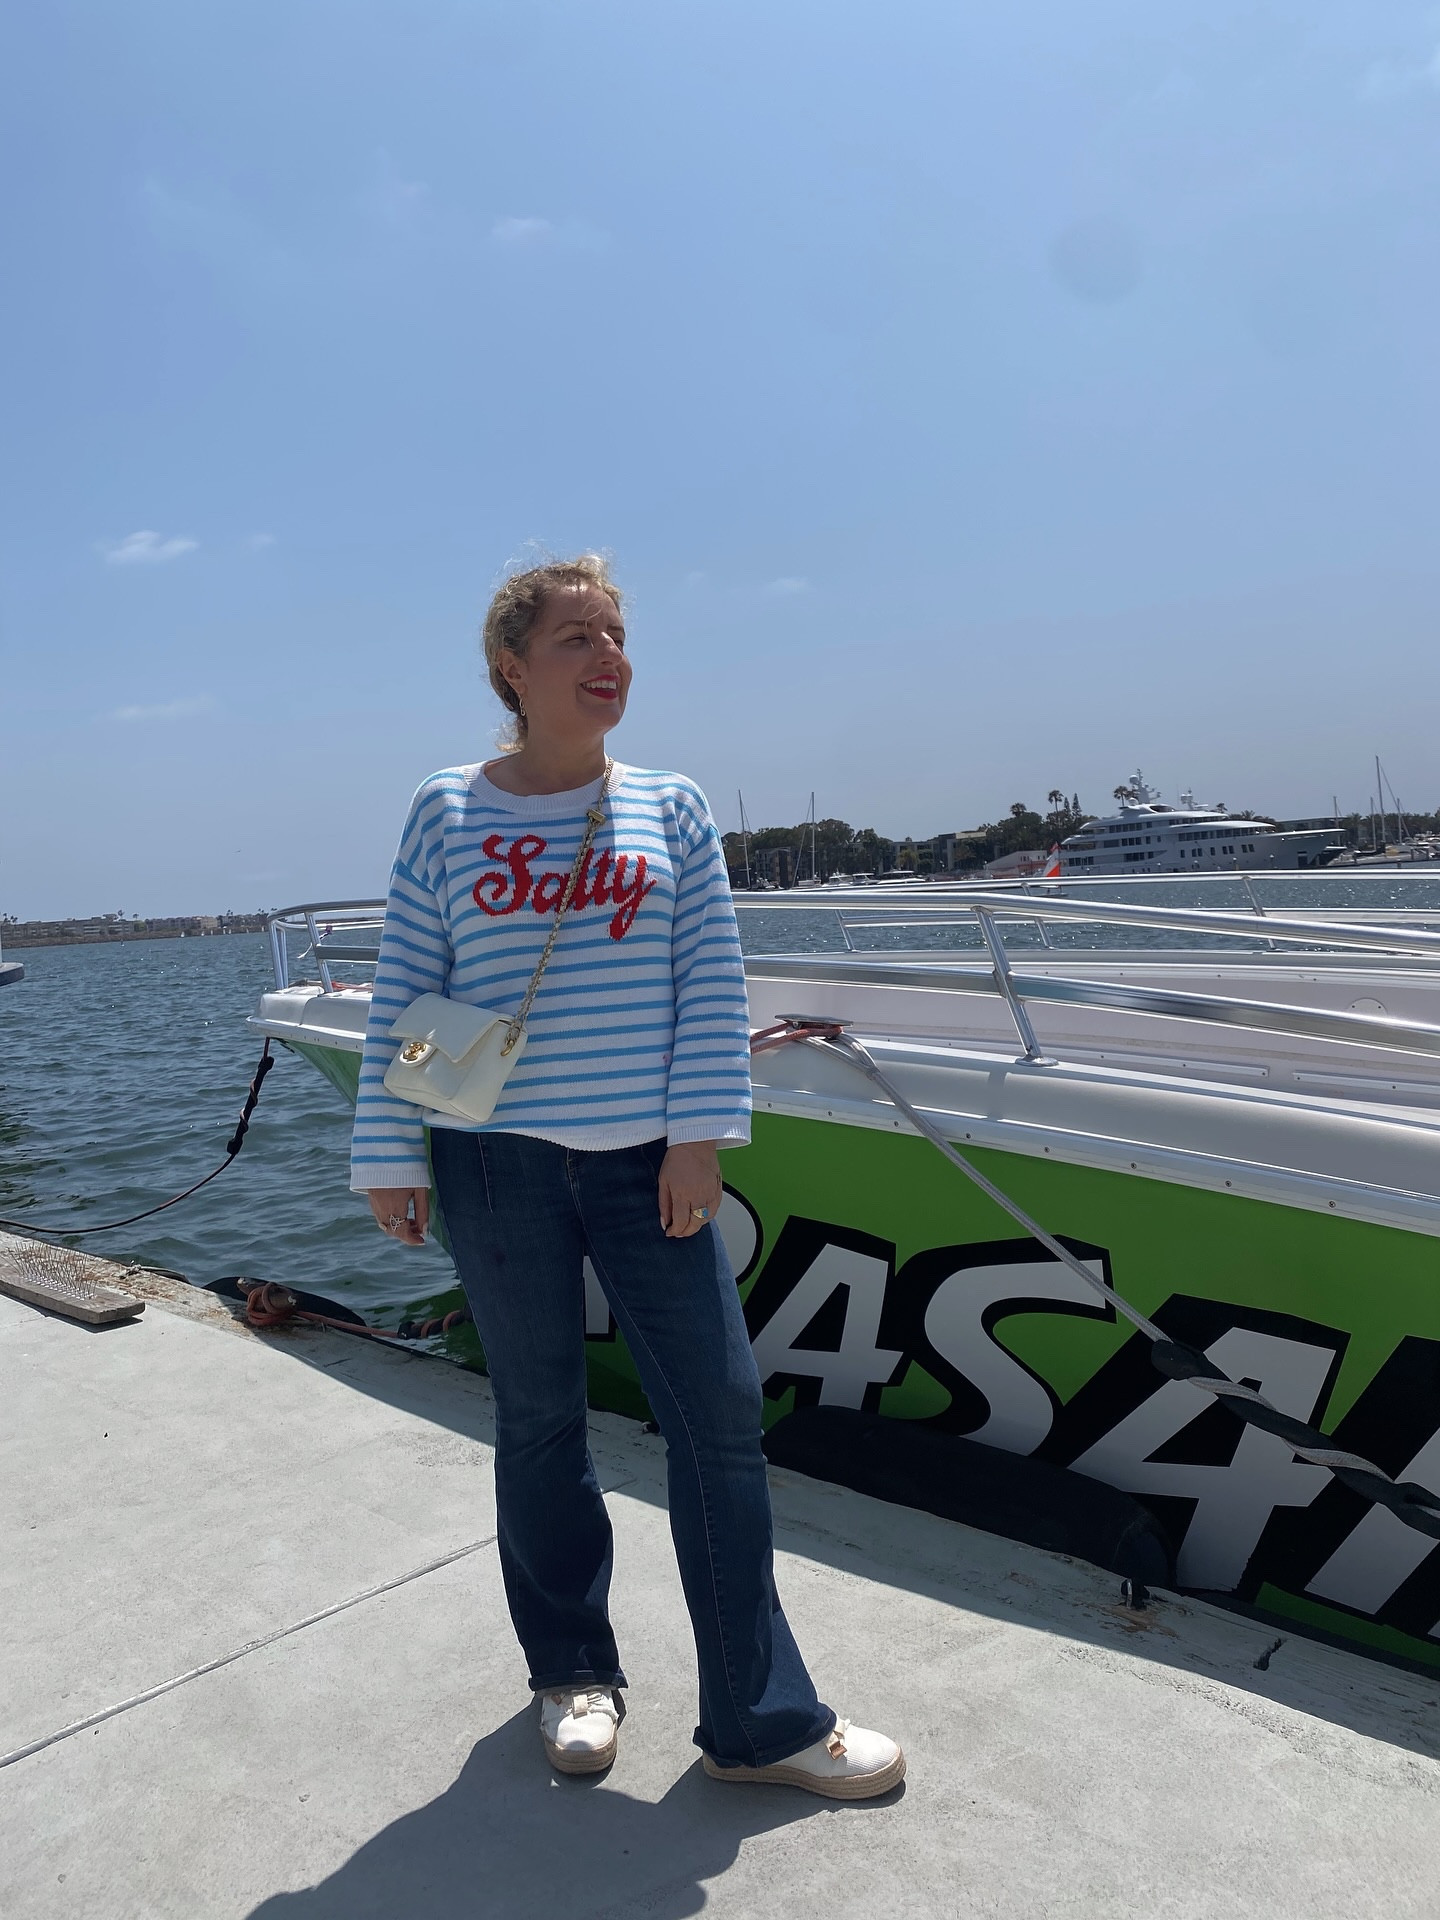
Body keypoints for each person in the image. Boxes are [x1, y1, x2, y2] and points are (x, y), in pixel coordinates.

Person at [350, 555, 903, 1798]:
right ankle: (572, 1672)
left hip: (648, 1164)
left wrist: (699, 1136)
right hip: (493, 1164)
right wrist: (392, 1154)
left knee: (717, 1423)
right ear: (511, 667)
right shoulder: (447, 807)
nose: (608, 659)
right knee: (538, 1419)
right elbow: (410, 988)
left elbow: (710, 980)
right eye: (574, 639)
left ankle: (762, 1720)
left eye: (615, 636)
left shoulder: (673, 806)